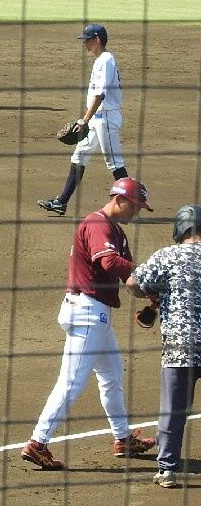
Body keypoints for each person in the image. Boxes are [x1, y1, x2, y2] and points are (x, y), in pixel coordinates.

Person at [20, 177, 157, 470]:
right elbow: (110, 263)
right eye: (135, 206)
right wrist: (148, 272)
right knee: (71, 382)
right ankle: (38, 442)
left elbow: (129, 279)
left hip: (98, 315)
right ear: (119, 199)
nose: (137, 212)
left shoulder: (117, 232)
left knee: (112, 376)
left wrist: (153, 293)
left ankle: (123, 438)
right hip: (87, 313)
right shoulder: (97, 224)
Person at [127, 204, 201, 488]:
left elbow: (133, 283)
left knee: (173, 410)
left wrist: (157, 292)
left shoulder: (167, 256)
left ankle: (168, 469)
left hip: (180, 347)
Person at [38, 24, 130, 216]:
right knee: (79, 157)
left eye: (87, 39)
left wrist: (84, 120)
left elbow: (100, 94)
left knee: (115, 163)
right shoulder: (100, 60)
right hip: (97, 119)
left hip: (105, 119)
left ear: (97, 39)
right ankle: (61, 202)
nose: (85, 43)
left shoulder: (106, 60)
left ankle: (131, 205)